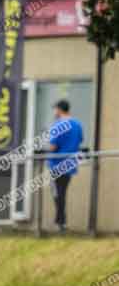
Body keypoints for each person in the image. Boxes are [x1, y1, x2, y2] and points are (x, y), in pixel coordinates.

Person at [48, 99, 84, 233]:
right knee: (62, 193)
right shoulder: (77, 124)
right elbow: (80, 140)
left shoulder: (58, 125)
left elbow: (53, 146)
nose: (54, 112)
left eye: (55, 109)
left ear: (59, 109)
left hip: (56, 165)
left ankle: (61, 223)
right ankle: (61, 222)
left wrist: (47, 149)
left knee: (57, 194)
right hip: (70, 164)